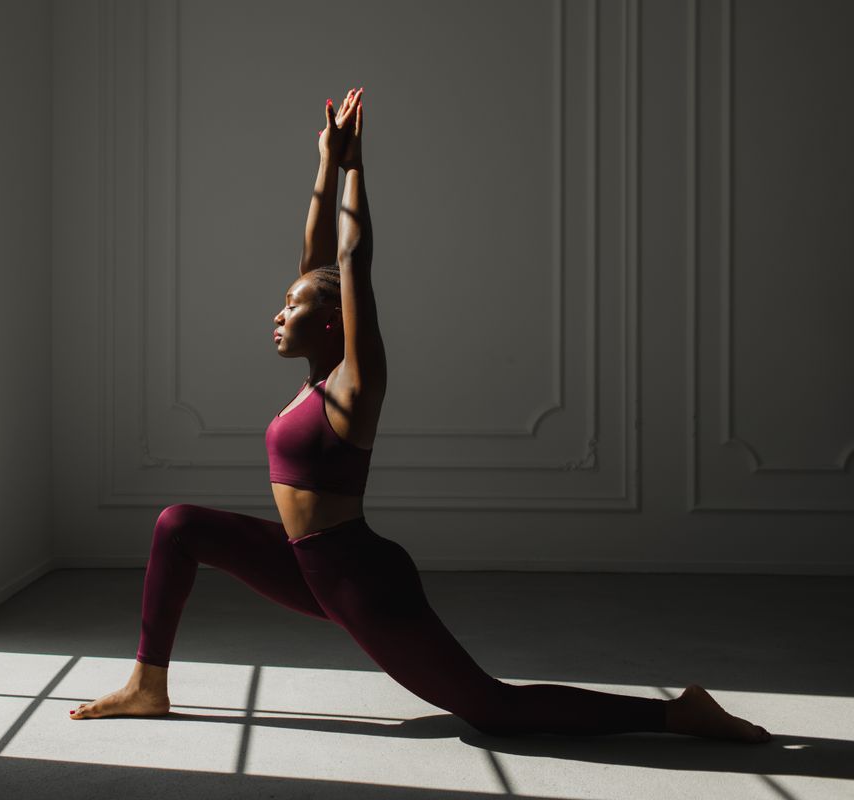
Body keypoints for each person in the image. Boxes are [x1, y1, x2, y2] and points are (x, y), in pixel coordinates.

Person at [69, 88, 771, 743]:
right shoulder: (319, 375)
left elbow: (350, 262)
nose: (277, 314)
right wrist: (324, 163)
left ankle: (678, 714)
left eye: (294, 307)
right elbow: (317, 258)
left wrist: (357, 170)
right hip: (307, 562)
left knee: (492, 710)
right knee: (179, 524)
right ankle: (147, 685)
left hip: (356, 577)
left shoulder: (353, 385)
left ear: (334, 326)